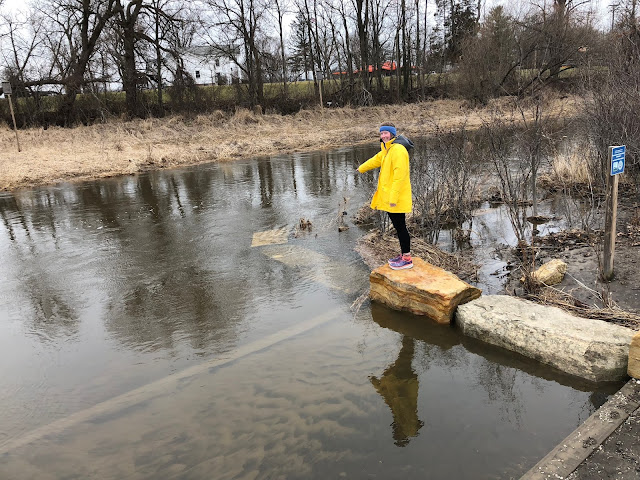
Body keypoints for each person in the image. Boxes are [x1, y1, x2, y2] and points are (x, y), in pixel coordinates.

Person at [356, 123, 414, 270]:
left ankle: (407, 259)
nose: (383, 136)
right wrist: (361, 168)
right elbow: (376, 160)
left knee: (401, 227)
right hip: (390, 197)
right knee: (398, 227)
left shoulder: (398, 150)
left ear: (392, 134)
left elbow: (400, 177)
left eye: (386, 133)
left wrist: (393, 199)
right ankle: (404, 255)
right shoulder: (387, 149)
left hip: (396, 198)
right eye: (381, 134)